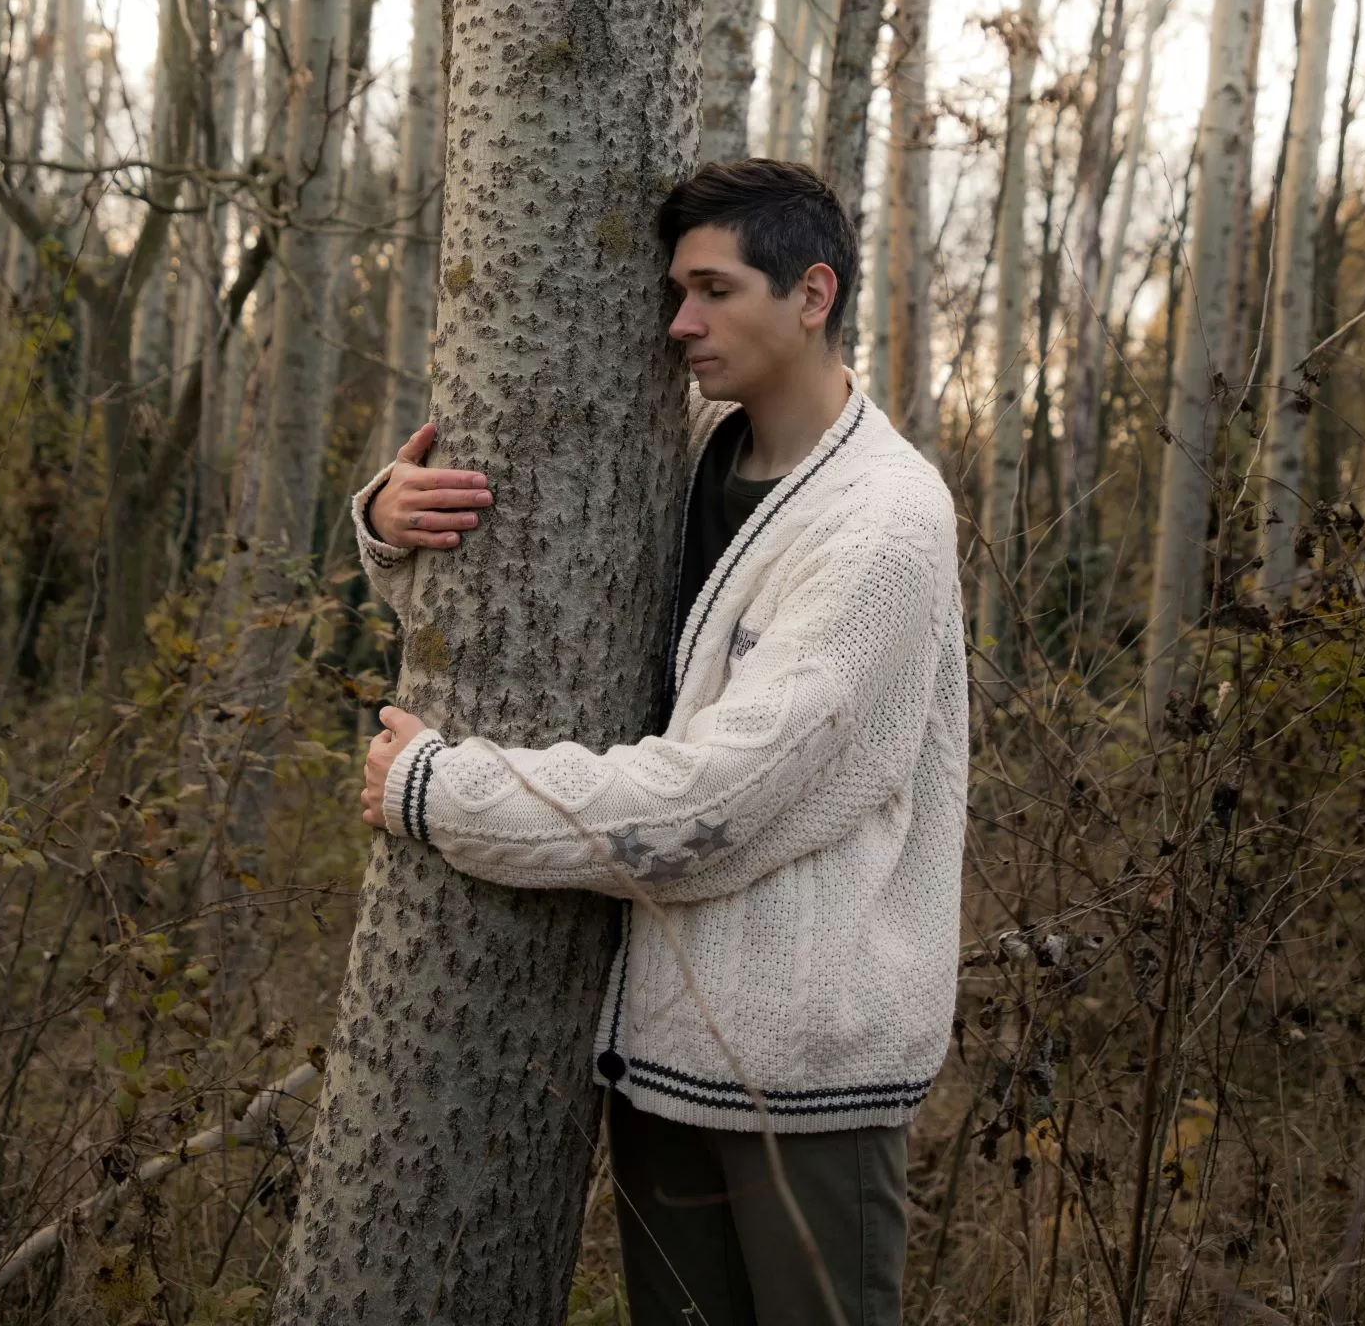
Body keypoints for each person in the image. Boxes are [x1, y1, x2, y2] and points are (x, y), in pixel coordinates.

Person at [354, 159, 968, 1326]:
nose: (679, 322)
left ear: (812, 294)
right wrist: (392, 516)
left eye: (713, 290)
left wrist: (449, 793)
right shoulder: (683, 447)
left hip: (807, 1080)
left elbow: (714, 802)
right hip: (659, 1056)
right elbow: (540, 625)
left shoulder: (886, 524)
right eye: (675, 292)